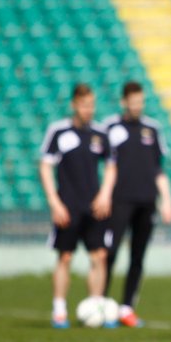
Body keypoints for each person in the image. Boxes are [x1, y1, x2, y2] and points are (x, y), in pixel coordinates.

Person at [39, 83, 116, 329]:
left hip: (94, 206)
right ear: (74, 105)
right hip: (68, 205)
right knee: (66, 256)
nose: (88, 110)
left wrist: (105, 194)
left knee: (100, 256)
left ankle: (97, 306)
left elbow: (112, 166)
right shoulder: (59, 131)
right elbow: (45, 166)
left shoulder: (100, 133)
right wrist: (54, 201)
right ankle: (59, 309)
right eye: (84, 105)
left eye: (92, 105)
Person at [102, 81, 171, 328]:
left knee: (138, 256)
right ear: (124, 102)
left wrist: (167, 200)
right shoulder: (110, 127)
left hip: (146, 202)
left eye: (140, 102)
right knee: (109, 253)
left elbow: (158, 170)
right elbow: (105, 164)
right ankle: (101, 303)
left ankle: (127, 308)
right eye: (133, 102)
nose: (137, 106)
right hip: (119, 201)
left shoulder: (152, 129)